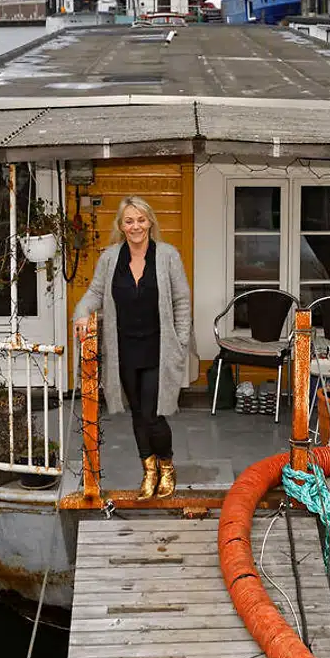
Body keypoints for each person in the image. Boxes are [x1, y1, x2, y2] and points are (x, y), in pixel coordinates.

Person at [72, 196, 192, 500]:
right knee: (138, 413)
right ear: (121, 226)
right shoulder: (110, 258)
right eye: (129, 221)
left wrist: (180, 343)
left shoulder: (167, 255)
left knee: (153, 413)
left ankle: (166, 467)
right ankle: (148, 471)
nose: (135, 226)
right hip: (124, 350)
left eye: (141, 219)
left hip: (159, 350)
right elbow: (95, 292)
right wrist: (82, 313)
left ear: (150, 222)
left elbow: (181, 301)